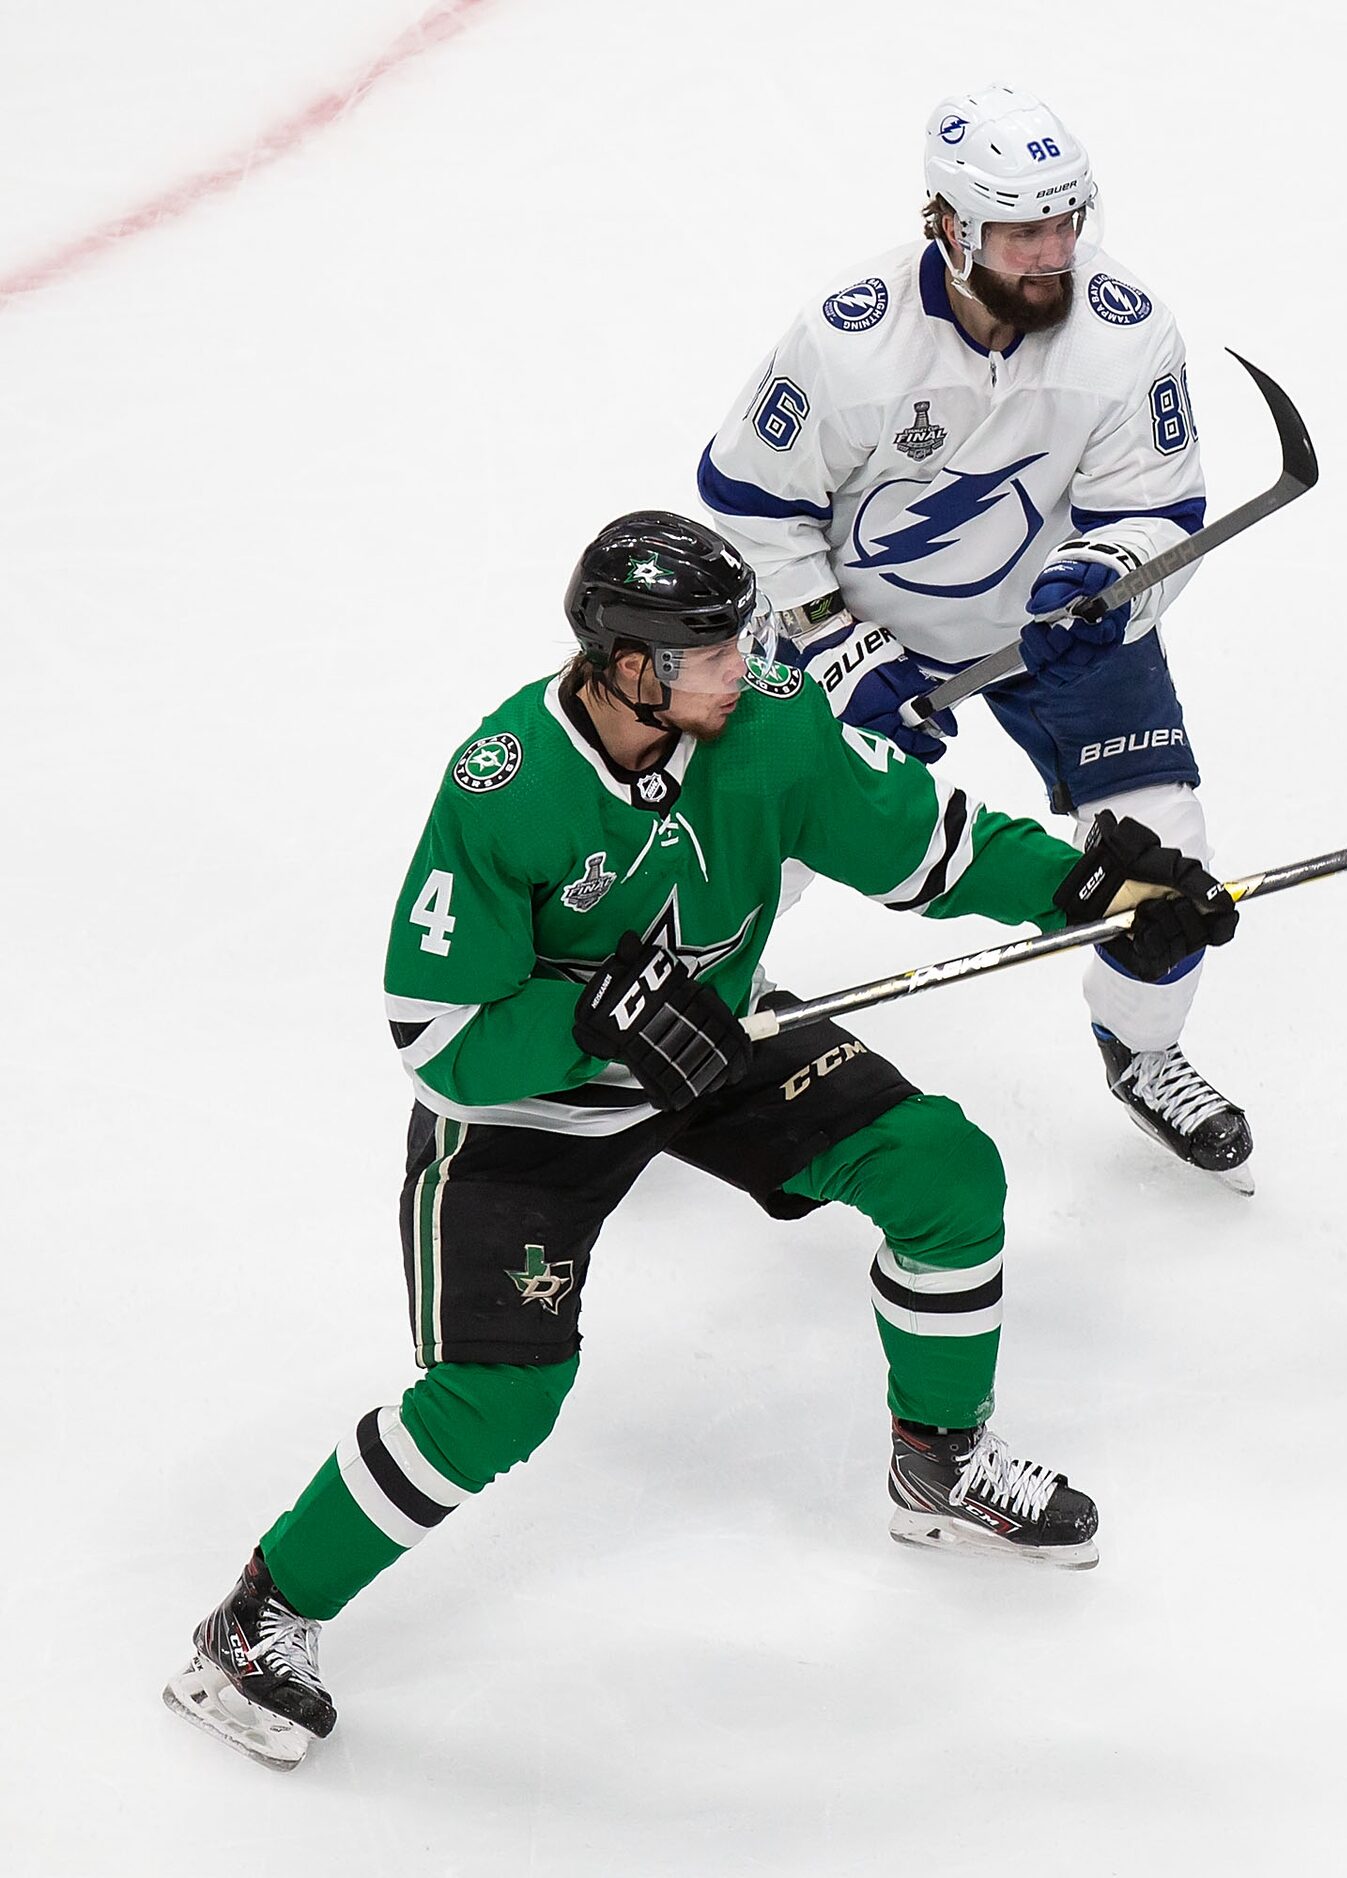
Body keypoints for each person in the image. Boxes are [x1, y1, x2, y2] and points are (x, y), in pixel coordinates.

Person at [162, 511, 1238, 1772]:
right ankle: (258, 1617)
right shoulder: (504, 783)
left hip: (712, 1045)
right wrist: (592, 1023)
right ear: (629, 668)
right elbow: (434, 1031)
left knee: (944, 1174)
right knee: (499, 1401)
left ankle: (937, 1463)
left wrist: (1090, 890)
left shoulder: (769, 720)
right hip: (528, 1117)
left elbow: (921, 844)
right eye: (718, 650)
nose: (754, 662)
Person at [695, 83, 1252, 1186]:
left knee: (1166, 848)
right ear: (948, 225)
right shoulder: (848, 342)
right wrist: (836, 643)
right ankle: (698, 1002)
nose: (1052, 253)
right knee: (769, 832)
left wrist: (1106, 578)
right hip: (864, 620)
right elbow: (753, 511)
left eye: (1064, 222)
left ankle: (1142, 1051)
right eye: (1021, 230)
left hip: (1061, 632)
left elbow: (1160, 511)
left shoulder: (1124, 333)